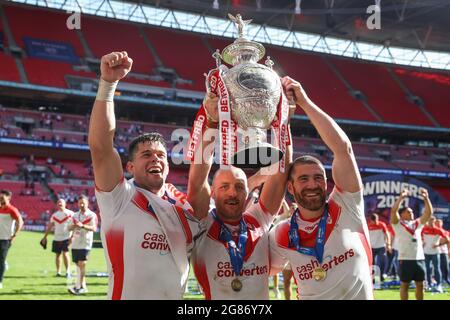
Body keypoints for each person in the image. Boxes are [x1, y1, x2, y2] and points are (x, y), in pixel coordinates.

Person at [89, 51, 201, 299]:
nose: (156, 159)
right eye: (147, 154)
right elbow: (101, 147)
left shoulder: (181, 207)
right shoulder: (119, 197)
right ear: (129, 167)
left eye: (161, 155)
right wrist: (108, 85)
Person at [269, 77, 373, 300]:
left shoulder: (347, 205)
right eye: (303, 179)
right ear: (290, 186)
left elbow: (343, 148)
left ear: (326, 182)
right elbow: (259, 271)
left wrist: (304, 102)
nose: (312, 185)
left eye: (318, 177)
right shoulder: (281, 232)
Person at [187, 90, 293, 299]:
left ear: (248, 192)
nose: (232, 193)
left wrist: (283, 125)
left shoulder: (258, 220)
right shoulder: (201, 223)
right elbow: (197, 181)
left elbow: (281, 174)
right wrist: (211, 123)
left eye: (239, 186)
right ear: (213, 193)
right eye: (224, 187)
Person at [390, 188, 432, 300]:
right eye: (408, 211)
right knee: (405, 285)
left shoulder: (416, 224)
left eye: (412, 211)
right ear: (402, 214)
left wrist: (426, 198)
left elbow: (428, 213)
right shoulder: (397, 224)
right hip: (405, 259)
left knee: (420, 285)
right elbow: (393, 211)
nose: (412, 213)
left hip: (419, 259)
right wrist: (401, 197)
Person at [68, 195, 97, 295]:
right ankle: (81, 286)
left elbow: (94, 228)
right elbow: (69, 228)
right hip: (76, 243)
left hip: (86, 242)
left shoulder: (92, 215)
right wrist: (74, 226)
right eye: (80, 203)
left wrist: (83, 226)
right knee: (78, 265)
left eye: (83, 203)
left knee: (82, 264)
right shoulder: (75, 215)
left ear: (87, 203)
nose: (81, 205)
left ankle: (80, 286)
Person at [40, 198, 74, 277]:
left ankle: (67, 271)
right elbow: (50, 226)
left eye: (61, 202)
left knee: (65, 253)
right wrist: (45, 237)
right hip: (57, 238)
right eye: (58, 202)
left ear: (65, 204)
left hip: (67, 237)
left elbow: (75, 226)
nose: (60, 204)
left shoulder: (71, 213)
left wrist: (72, 237)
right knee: (57, 255)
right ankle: (58, 272)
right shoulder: (55, 215)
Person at [0, 190, 24, 289]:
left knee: (0, 261)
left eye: (2, 197)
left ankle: (0, 281)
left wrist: (14, 235)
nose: (0, 199)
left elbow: (20, 221)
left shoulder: (12, 209)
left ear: (8, 198)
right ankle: (4, 262)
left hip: (5, 239)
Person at [422, 216, 449, 293]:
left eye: (432, 220)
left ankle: (439, 285)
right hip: (426, 252)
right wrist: (422, 243)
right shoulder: (424, 229)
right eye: (430, 220)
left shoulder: (438, 230)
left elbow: (448, 239)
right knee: (426, 269)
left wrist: (438, 245)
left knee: (437, 268)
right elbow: (419, 237)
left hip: (435, 252)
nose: (431, 222)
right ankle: (428, 284)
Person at [367, 213, 391, 287]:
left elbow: (387, 234)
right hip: (372, 247)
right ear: (371, 220)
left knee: (382, 261)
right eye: (374, 221)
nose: (376, 222)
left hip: (381, 246)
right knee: (373, 263)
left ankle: (382, 277)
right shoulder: (368, 226)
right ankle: (373, 279)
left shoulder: (382, 225)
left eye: (377, 220)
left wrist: (388, 243)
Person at [435, 219, 449, 285]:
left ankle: (445, 280)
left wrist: (449, 251)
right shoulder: (433, 232)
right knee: (436, 267)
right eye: (436, 223)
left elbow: (448, 241)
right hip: (435, 252)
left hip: (444, 252)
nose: (438, 224)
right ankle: (437, 281)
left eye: (439, 223)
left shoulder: (445, 232)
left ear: (442, 224)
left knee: (445, 267)